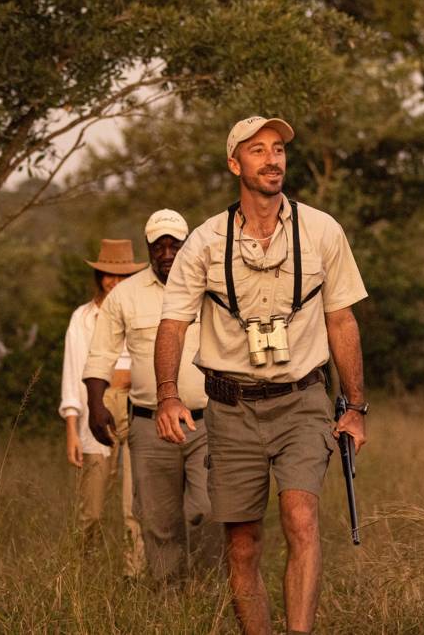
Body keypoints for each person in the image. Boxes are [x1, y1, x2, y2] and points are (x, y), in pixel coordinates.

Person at [153, 116, 370, 635]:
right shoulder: (204, 242)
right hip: (231, 406)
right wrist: (166, 395)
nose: (272, 159)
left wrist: (356, 407)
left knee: (302, 519)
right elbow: (171, 324)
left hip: (303, 399)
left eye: (278, 150)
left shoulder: (322, 230)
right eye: (257, 151)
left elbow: (341, 318)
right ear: (235, 164)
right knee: (244, 541)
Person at [82, 210, 220, 582]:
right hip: (148, 424)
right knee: (158, 520)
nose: (166, 252)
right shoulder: (125, 295)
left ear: (187, 245)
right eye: (158, 245)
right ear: (148, 248)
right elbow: (100, 355)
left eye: (174, 244)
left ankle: (209, 592)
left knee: (207, 510)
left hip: (206, 421)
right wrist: (96, 406)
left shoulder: (209, 287)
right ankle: (169, 601)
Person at [58, 238, 147, 576]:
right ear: (99, 276)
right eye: (109, 275)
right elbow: (73, 371)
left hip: (136, 401)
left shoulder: (139, 311)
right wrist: (72, 428)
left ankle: (134, 574)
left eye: (122, 276)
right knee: (91, 508)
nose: (114, 282)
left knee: (134, 503)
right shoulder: (83, 318)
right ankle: (83, 568)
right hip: (97, 404)